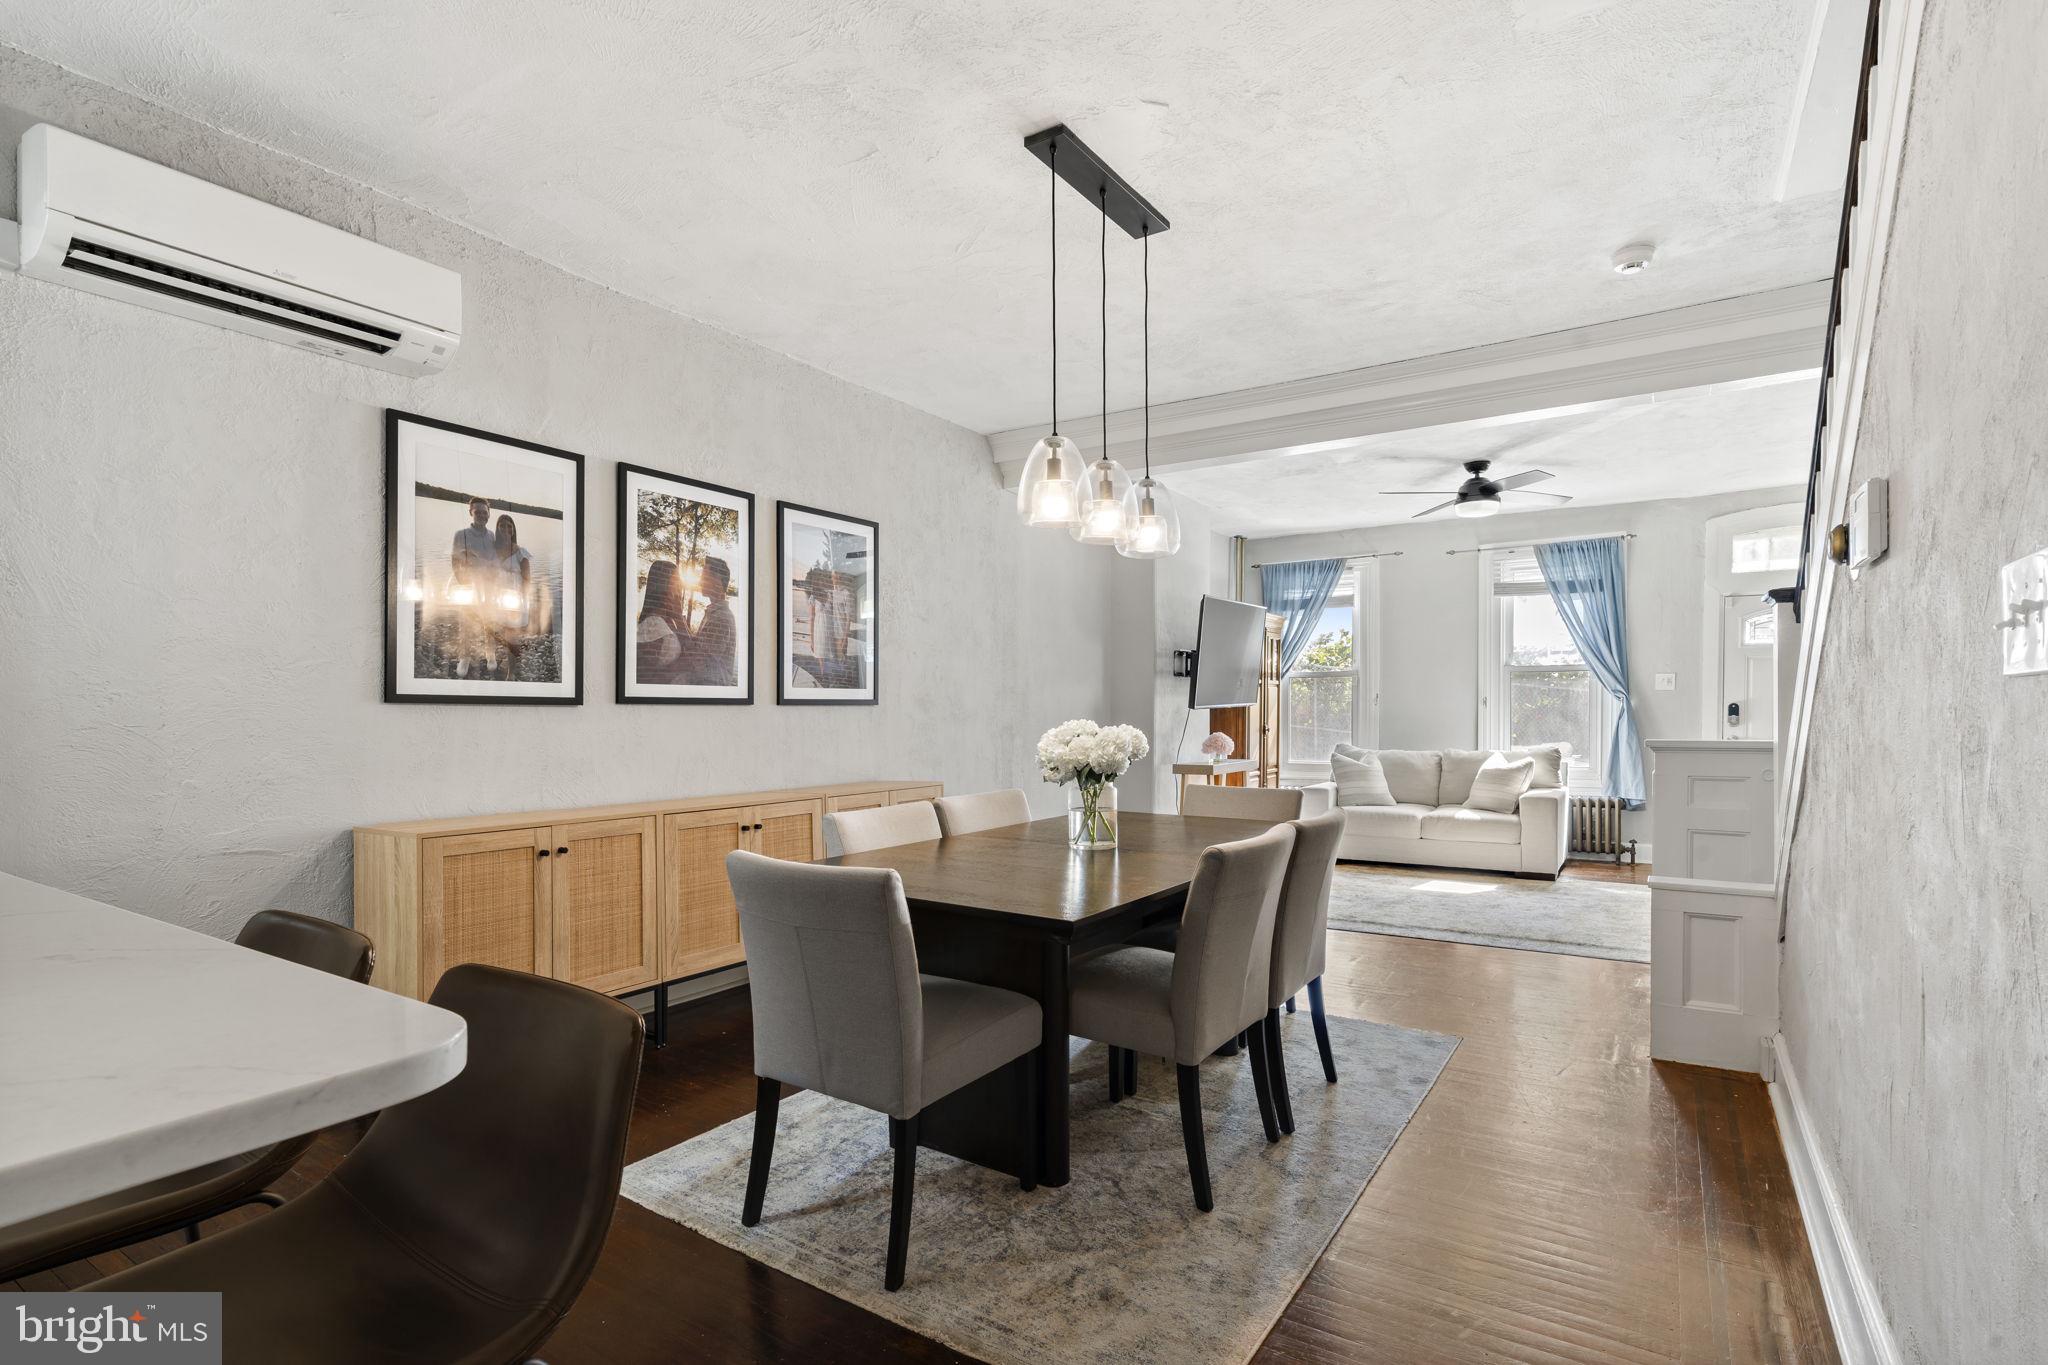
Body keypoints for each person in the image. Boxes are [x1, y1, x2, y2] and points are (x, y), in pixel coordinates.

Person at [449, 497, 500, 678]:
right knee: (466, 623)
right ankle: (464, 657)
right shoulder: (461, 534)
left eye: (484, 512)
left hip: (489, 587)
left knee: (490, 621)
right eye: (477, 511)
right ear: (471, 512)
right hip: (469, 588)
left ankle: (490, 653)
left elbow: (496, 561)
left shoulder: (492, 536)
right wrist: (463, 582)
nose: (481, 515)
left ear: (489, 514)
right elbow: (455, 562)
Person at [680, 557, 737, 687]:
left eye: (704, 577)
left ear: (717, 581)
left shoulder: (720, 618)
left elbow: (702, 664)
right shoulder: (713, 613)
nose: (700, 582)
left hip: (711, 688)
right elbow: (702, 650)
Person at [493, 514, 533, 676]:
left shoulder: (520, 552)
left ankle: (511, 672)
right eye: (502, 525)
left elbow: (527, 579)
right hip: (496, 598)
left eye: (509, 526)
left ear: (513, 530)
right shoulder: (491, 551)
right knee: (496, 630)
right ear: (497, 529)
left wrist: (521, 601)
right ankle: (496, 659)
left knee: (511, 635)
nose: (506, 529)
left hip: (514, 599)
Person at [637, 560, 688, 683]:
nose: (680, 586)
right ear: (663, 584)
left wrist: (679, 617)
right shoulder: (652, 626)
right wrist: (675, 671)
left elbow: (689, 649)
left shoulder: (667, 620)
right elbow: (644, 677)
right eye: (676, 580)